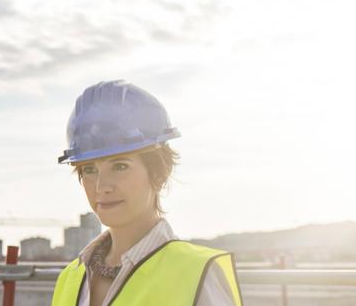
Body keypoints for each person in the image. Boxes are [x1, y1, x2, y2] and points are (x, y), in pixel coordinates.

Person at [51, 80, 243, 306]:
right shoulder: (70, 278)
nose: (102, 186)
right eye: (89, 169)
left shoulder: (197, 275)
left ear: (159, 173)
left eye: (120, 166)